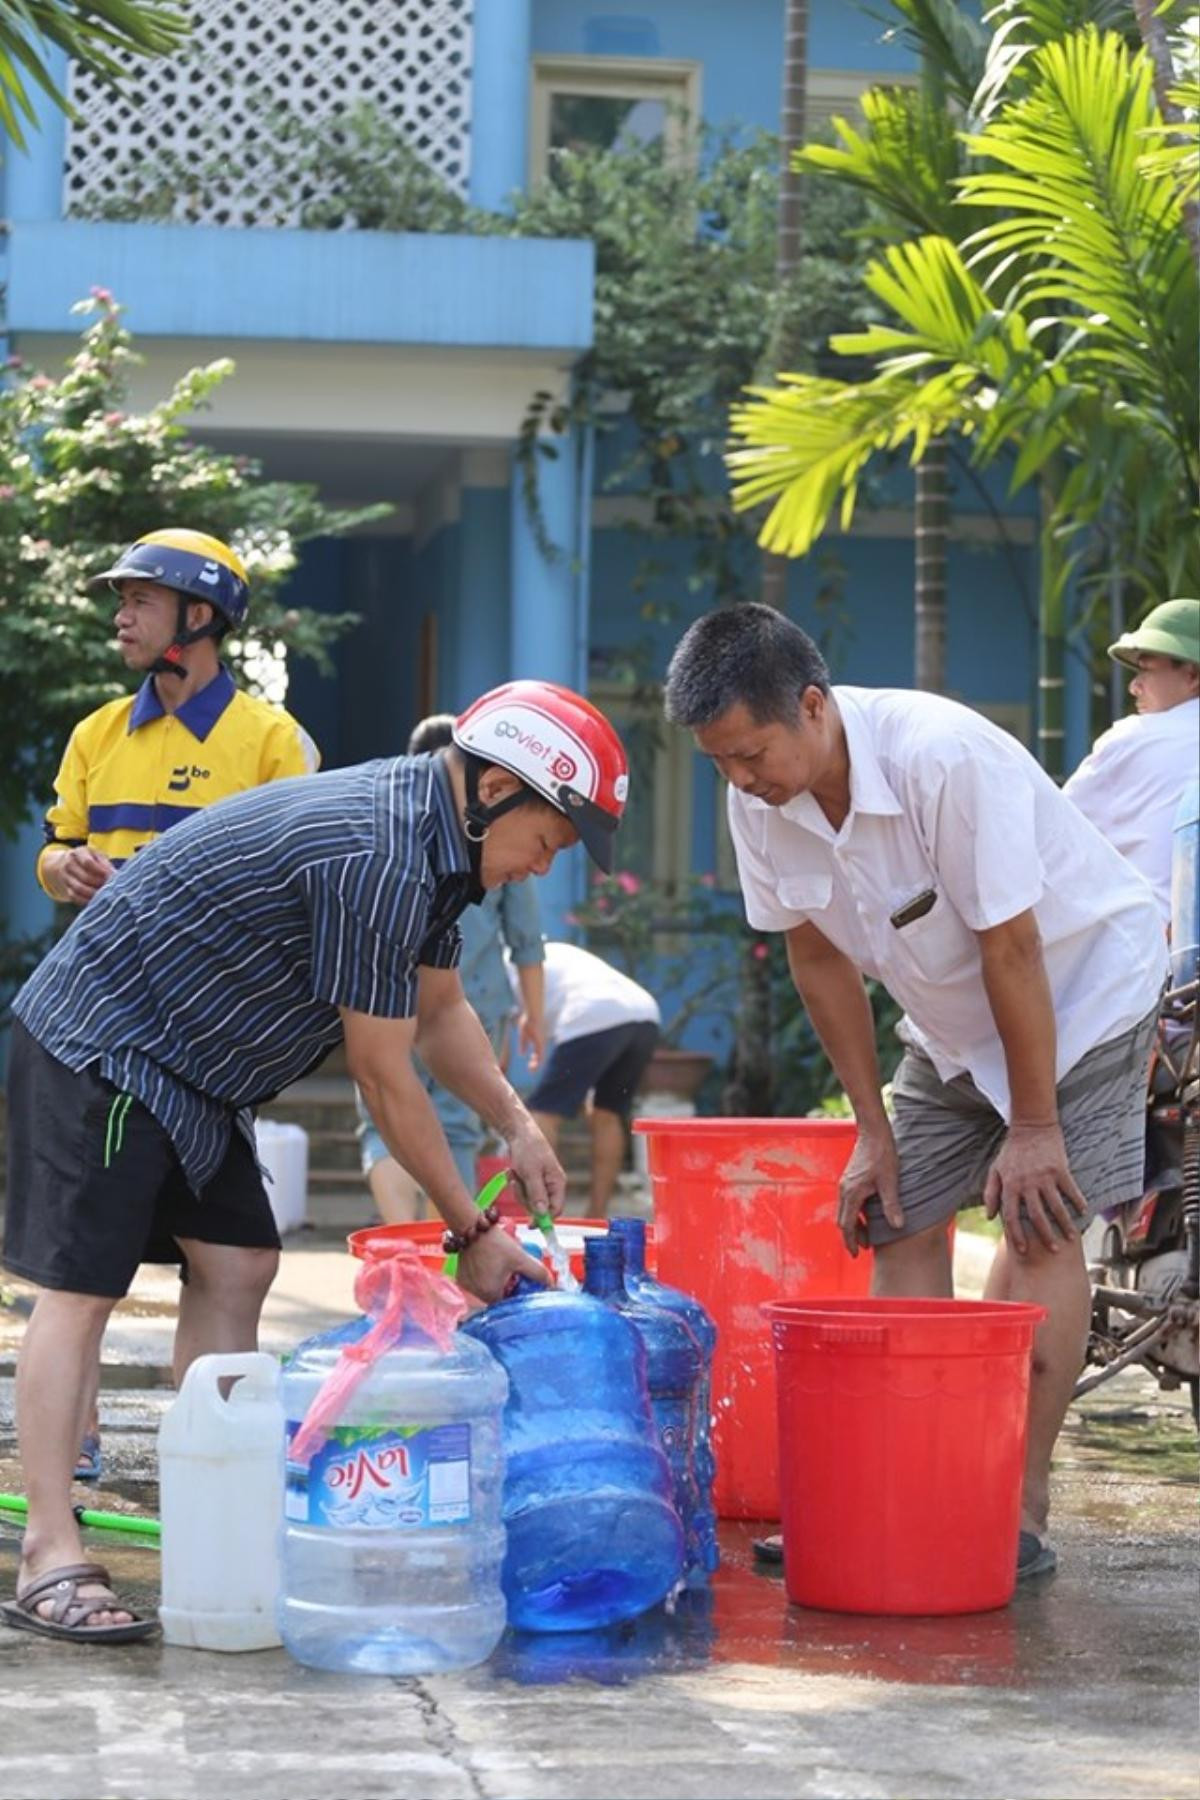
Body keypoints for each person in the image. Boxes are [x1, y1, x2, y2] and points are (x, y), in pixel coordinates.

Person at [1, 678, 627, 1643]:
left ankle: (217, 1515)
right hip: (110, 1039)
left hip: (197, 1072)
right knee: (83, 1289)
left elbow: (444, 1010)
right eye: (547, 842)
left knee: (241, 1262)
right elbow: (383, 1075)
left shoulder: (435, 844)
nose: (539, 868)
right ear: (499, 789)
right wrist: (476, 1230)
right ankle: (49, 1548)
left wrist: (520, 1126)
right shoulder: (378, 848)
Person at [664, 604, 1165, 1581]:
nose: (742, 780)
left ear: (813, 706)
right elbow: (816, 957)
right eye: (720, 762)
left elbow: (1011, 946)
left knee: (1041, 1221)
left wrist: (1034, 1125)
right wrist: (869, 1129)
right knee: (894, 1215)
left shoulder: (941, 757)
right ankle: (906, 1482)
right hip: (949, 1016)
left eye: (752, 752)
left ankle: (1013, 1507)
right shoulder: (761, 799)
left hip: (1082, 988)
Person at [38, 526, 320, 1481]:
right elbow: (54, 845)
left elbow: (300, 885)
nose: (121, 615)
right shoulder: (96, 736)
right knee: (91, 1265)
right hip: (104, 1033)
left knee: (235, 1260)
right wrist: (62, 866)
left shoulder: (274, 743)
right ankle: (65, 1460)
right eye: (120, 599)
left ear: (199, 618)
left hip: (198, 1042)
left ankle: (207, 1457)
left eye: (141, 600)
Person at [357, 713, 547, 1222]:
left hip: (390, 995)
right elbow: (527, 941)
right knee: (457, 1125)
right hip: (481, 1005)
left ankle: (407, 1245)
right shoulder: (512, 838)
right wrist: (534, 1015)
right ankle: (449, 1256)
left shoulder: (400, 832)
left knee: (382, 1119)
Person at [1063, 598, 1199, 923]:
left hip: (1155, 954)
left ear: (1193, 675)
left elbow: (1055, 833)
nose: (1134, 686)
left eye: (1145, 670)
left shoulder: (1133, 738)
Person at [515, 941, 661, 1218]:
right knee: (607, 1113)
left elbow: (500, 1041)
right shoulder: (555, 949)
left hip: (592, 1014)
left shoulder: (510, 962)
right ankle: (597, 1214)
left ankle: (539, 1214)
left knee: (541, 1113)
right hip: (644, 1015)